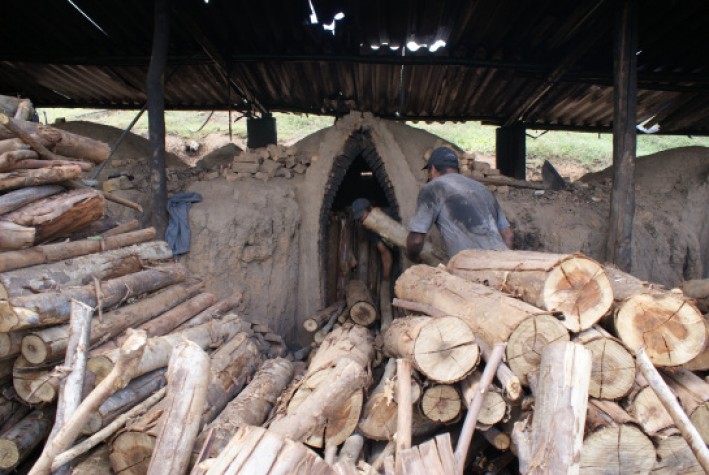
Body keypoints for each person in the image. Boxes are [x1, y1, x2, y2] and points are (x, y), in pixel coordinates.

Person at [406, 146, 513, 262]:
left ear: (432, 169)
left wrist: (413, 257)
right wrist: (504, 262)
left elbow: (416, 240)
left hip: (470, 266)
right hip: (501, 263)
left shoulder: (433, 188)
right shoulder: (483, 189)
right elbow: (508, 235)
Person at [351, 198, 394, 281]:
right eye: (358, 218)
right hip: (395, 252)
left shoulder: (391, 214)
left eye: (361, 215)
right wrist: (386, 276)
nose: (361, 220)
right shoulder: (369, 229)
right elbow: (384, 251)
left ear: (370, 208)